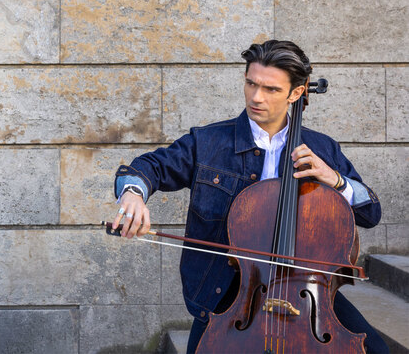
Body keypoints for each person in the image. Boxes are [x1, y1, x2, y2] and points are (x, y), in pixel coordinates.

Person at [112, 40, 387, 353]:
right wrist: (133, 194)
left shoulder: (322, 149)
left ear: (296, 93)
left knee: (376, 350)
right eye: (251, 84)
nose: (256, 97)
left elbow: (370, 212)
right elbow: (150, 167)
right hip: (230, 291)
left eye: (270, 89)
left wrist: (336, 180)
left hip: (307, 292)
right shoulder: (208, 142)